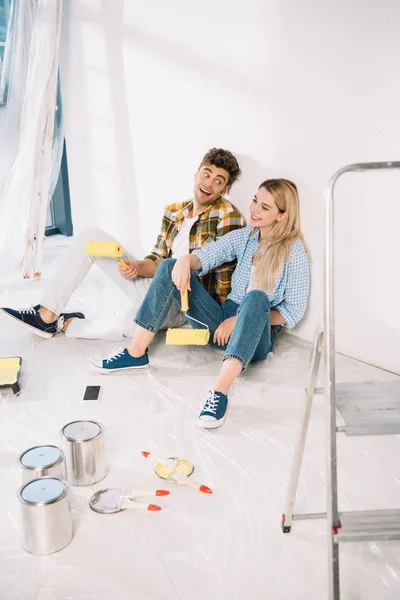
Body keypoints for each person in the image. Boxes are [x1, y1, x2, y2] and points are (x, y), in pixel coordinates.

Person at [93, 178, 311, 429]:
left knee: (256, 297)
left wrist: (238, 319)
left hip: (256, 334)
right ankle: (135, 353)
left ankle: (219, 393)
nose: (254, 209)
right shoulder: (246, 238)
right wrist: (186, 260)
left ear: (282, 216)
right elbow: (209, 255)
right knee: (169, 265)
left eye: (265, 207)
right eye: (254, 200)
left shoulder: (294, 251)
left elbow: (293, 310)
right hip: (219, 324)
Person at [1, 148, 246, 340]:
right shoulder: (174, 212)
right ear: (196, 174)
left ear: (225, 190)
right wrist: (138, 268)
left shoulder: (227, 214)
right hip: (157, 285)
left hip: (185, 304)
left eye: (218, 180)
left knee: (133, 326)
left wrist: (225, 319)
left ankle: (66, 323)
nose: (209, 183)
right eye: (206, 174)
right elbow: (157, 260)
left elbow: (226, 270)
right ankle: (47, 313)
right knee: (91, 237)